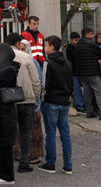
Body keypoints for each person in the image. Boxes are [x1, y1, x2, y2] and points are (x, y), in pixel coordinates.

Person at [38, 36, 74, 175]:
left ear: (52, 47)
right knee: (65, 134)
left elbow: (44, 83)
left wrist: (43, 98)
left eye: (46, 46)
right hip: (65, 101)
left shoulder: (49, 63)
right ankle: (68, 165)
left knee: (51, 134)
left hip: (52, 101)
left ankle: (51, 163)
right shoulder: (67, 62)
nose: (45, 48)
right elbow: (71, 82)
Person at [0, 43, 19, 185]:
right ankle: (2, 169)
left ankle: (8, 176)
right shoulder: (3, 68)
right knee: (0, 143)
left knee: (4, 144)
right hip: (1, 112)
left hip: (4, 113)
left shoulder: (8, 70)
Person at [10, 39, 41, 173]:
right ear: (18, 43)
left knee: (9, 132)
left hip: (9, 100)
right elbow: (35, 80)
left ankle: (5, 163)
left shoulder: (2, 56)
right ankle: (23, 162)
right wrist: (35, 96)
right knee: (25, 132)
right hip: (27, 100)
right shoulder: (27, 57)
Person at [73, 28, 101, 121]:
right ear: (88, 34)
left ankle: (89, 111)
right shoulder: (91, 44)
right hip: (93, 72)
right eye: (92, 34)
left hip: (82, 72)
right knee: (98, 92)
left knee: (87, 92)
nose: (92, 36)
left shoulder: (78, 45)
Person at [65, 32, 84, 115]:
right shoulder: (69, 49)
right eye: (76, 40)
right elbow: (71, 59)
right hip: (74, 72)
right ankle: (79, 106)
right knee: (77, 90)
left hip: (82, 71)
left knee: (85, 89)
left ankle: (85, 105)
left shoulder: (80, 48)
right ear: (72, 40)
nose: (77, 42)